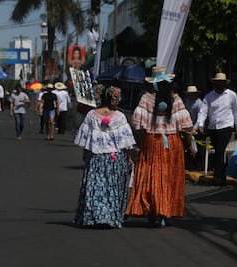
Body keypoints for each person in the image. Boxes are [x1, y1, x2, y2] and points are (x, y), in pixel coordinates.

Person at [125, 66, 194, 227]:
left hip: (151, 141)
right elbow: (187, 126)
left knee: (151, 176)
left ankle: (152, 209)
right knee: (168, 178)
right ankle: (164, 212)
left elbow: (137, 124)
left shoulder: (146, 99)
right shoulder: (175, 99)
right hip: (172, 143)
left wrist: (144, 140)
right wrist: (189, 146)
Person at [74, 86, 136, 229]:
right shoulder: (120, 117)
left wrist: (85, 154)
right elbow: (125, 141)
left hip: (96, 157)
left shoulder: (91, 115)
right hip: (114, 158)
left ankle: (94, 216)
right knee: (112, 187)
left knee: (95, 186)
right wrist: (129, 157)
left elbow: (85, 138)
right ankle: (109, 217)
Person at [197, 72, 237, 186]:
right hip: (213, 127)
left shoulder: (232, 95)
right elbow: (203, 111)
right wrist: (201, 124)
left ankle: (217, 177)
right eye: (218, 82)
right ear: (215, 83)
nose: (220, 84)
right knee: (218, 151)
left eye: (222, 82)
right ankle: (222, 176)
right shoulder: (208, 96)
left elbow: (236, 112)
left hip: (226, 126)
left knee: (220, 151)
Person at [183, 85, 203, 170]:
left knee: (197, 145)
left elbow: (200, 117)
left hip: (196, 126)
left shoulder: (199, 103)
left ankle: (197, 164)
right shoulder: (186, 101)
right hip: (186, 125)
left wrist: (194, 128)